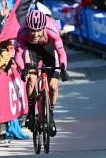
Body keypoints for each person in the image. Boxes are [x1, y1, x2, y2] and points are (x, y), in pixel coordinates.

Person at [15, 9, 68, 137]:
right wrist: (23, 70)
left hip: (49, 49)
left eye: (38, 30)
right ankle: (32, 111)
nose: (34, 33)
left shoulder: (52, 30)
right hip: (32, 50)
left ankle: (51, 113)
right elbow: (18, 55)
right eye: (32, 30)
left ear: (44, 27)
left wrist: (63, 69)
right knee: (31, 79)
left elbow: (61, 53)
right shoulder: (22, 32)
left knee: (53, 86)